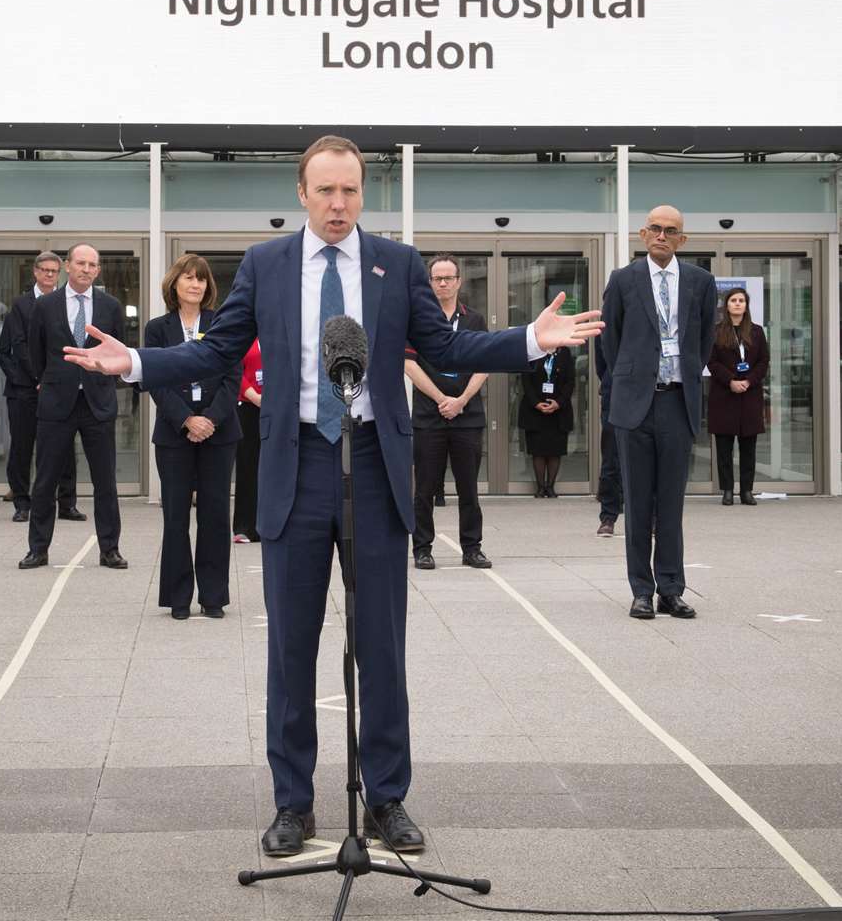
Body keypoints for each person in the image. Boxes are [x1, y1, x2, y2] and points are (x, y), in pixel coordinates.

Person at [60, 135, 601, 858]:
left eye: (350, 190)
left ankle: (386, 799)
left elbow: (444, 349)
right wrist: (135, 362)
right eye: (326, 191)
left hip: (376, 467)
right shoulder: (266, 265)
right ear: (302, 195)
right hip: (297, 467)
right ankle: (294, 804)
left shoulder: (397, 265)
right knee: (291, 649)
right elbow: (218, 350)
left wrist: (529, 341)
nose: (339, 203)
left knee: (381, 645)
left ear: (362, 193)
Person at [601, 205, 717, 622]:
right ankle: (641, 591)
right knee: (636, 501)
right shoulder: (623, 280)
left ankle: (671, 588)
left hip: (676, 401)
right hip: (634, 404)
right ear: (642, 234)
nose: (662, 236)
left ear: (682, 239)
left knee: (671, 503)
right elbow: (609, 343)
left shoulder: (701, 282)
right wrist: (626, 383)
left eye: (671, 231)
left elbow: (703, 339)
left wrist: (679, 374)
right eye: (655, 229)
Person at [145, 254, 241, 618]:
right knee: (175, 517)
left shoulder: (222, 324)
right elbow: (153, 378)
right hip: (173, 433)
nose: (196, 284)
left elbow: (233, 378)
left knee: (216, 515)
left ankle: (213, 596)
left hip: (219, 432)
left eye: (201, 279)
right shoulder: (158, 328)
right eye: (188, 278)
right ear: (175, 283)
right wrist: (187, 419)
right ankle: (179, 597)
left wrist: (209, 420)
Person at [21, 243, 124, 570]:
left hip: (97, 403)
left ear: (98, 270)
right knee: (46, 479)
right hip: (56, 402)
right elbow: (36, 352)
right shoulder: (47, 305)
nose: (87, 269)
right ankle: (38, 548)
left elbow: (118, 351)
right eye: (81, 263)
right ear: (67, 265)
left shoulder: (110, 306)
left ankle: (110, 549)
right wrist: (51, 379)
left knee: (105, 481)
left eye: (93, 264)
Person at [406, 253, 490, 569]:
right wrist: (442, 398)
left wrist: (461, 400)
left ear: (458, 282)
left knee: (469, 488)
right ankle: (422, 549)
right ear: (429, 283)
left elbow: (485, 362)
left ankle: (472, 548)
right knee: (425, 487)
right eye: (437, 278)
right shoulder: (418, 320)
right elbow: (409, 364)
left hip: (467, 417)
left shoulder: (474, 320)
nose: (443, 283)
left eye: (448, 278)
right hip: (429, 416)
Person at [0, 251, 80, 525]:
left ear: (60, 273)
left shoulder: (67, 303)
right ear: (35, 272)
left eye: (54, 271)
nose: (48, 275)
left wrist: (51, 380)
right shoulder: (21, 305)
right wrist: (30, 380)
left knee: (65, 448)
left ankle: (67, 504)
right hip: (25, 391)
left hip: (58, 389)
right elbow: (12, 349)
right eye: (44, 270)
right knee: (22, 447)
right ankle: (22, 503)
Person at [707, 287, 769, 506]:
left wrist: (749, 380)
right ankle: (727, 490)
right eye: (733, 300)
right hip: (724, 395)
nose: (737, 304)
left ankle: (747, 491)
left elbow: (763, 362)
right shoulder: (716, 331)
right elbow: (711, 362)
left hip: (749, 396)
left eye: (741, 300)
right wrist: (731, 381)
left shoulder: (757, 331)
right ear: (727, 305)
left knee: (748, 448)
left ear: (746, 305)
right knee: (724, 448)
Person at [518, 348, 575, 499]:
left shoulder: (565, 353)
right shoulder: (532, 351)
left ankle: (550, 487)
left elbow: (570, 381)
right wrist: (536, 403)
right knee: (538, 450)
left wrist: (559, 402)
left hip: (559, 410)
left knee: (555, 450)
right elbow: (525, 380)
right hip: (534, 410)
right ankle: (540, 487)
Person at [233, 338, 263, 543]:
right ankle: (244, 526)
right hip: (248, 406)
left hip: (278, 405)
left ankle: (268, 525)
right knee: (247, 465)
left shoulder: (279, 331)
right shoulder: (245, 336)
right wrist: (256, 397)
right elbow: (236, 370)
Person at [593, 340, 621, 536]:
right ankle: (608, 517)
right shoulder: (606, 324)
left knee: (646, 460)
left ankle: (652, 518)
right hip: (614, 395)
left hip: (645, 394)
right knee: (611, 460)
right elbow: (601, 365)